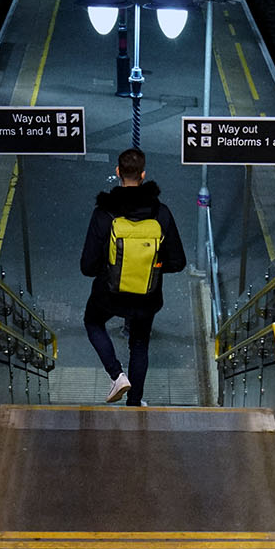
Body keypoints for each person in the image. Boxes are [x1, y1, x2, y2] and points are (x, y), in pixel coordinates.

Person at [79, 148, 187, 406]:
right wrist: (151, 268)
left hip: (110, 294)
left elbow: (87, 266)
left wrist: (110, 270)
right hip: (146, 296)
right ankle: (134, 403)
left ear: (118, 173)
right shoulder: (161, 213)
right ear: (143, 175)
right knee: (139, 344)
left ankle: (116, 375)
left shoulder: (104, 214)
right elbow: (178, 262)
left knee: (93, 322)